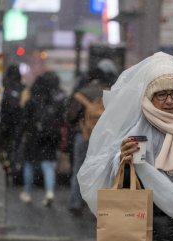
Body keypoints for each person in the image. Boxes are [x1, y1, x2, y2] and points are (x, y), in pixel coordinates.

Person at [77, 52, 173, 240]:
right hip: (148, 226)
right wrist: (122, 160)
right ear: (150, 96)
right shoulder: (135, 127)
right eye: (161, 94)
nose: (169, 100)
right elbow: (115, 176)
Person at [66, 66, 116, 215]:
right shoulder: (111, 93)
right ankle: (100, 206)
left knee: (79, 170)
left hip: (83, 135)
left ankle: (76, 202)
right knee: (103, 172)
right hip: (105, 138)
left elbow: (70, 117)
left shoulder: (81, 94)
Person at [18, 72, 67, 206]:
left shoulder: (32, 101)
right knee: (47, 165)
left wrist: (20, 136)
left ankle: (27, 193)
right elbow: (61, 120)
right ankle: (49, 192)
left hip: (33, 137)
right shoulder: (54, 101)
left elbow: (24, 121)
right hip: (49, 138)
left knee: (29, 164)